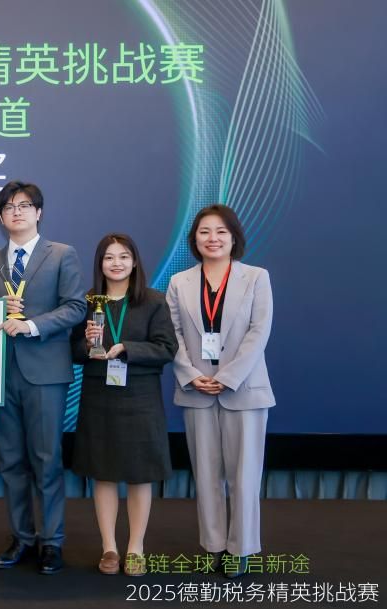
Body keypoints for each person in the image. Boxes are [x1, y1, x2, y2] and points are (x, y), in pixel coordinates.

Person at [0, 181, 86, 574]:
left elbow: (76, 307)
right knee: (10, 461)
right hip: (1, 374)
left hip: (45, 373)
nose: (16, 212)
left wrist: (32, 325)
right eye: (8, 207)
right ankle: (22, 537)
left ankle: (51, 541)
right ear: (0, 217)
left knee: (46, 458)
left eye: (24, 205)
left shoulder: (61, 254)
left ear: (39, 212)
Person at [166, 204, 274, 579]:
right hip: (196, 388)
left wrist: (228, 377)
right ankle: (212, 544)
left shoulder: (256, 277)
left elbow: (259, 332)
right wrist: (191, 373)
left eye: (220, 232)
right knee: (206, 472)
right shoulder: (179, 282)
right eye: (204, 232)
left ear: (233, 238)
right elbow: (172, 334)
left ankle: (240, 548)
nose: (212, 238)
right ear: (194, 239)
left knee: (244, 475)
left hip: (244, 389)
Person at [70, 234, 177, 576]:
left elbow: (167, 348)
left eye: (123, 256)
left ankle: (135, 548)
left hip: (140, 397)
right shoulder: (88, 301)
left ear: (134, 262)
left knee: (139, 474)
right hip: (98, 395)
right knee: (102, 473)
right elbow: (73, 351)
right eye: (109, 257)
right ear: (99, 263)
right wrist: (87, 345)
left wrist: (128, 348)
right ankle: (109, 548)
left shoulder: (153, 301)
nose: (116, 263)